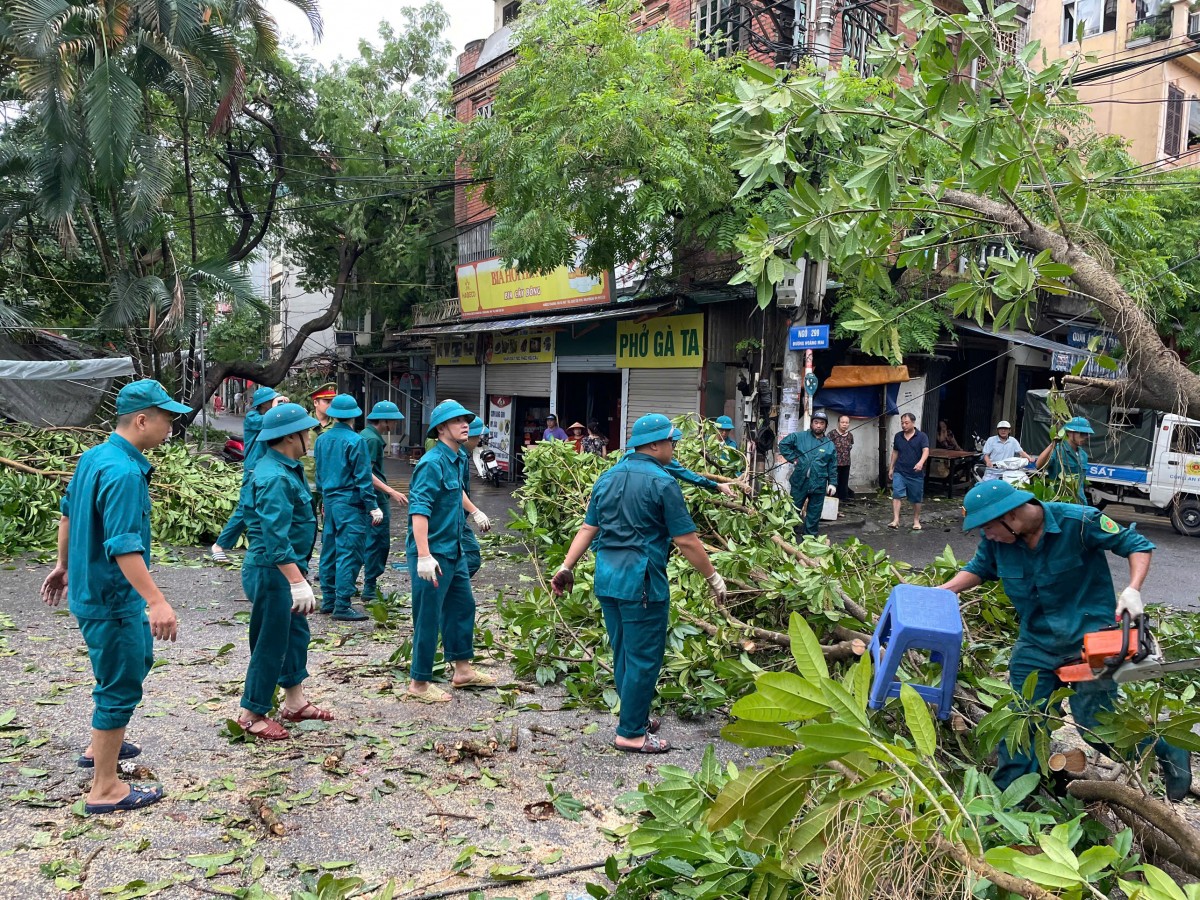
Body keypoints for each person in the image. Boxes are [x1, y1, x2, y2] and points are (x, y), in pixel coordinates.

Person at [938, 481, 1192, 799]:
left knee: (1096, 723)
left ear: (1011, 516)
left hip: (1091, 642)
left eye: (988, 528)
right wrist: (941, 592)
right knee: (1021, 717)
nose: (987, 536)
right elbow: (979, 568)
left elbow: (1136, 544)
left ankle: (1166, 749)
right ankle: (1012, 797)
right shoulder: (997, 540)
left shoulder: (1079, 522)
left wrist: (1133, 588)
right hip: (1036, 641)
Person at [40, 379, 188, 814]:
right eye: (166, 420)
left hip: (91, 591)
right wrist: (156, 601)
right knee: (120, 682)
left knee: (132, 660)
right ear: (142, 420)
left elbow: (67, 514)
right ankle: (105, 788)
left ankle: (97, 748)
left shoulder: (95, 457)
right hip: (111, 597)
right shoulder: (123, 472)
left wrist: (64, 565)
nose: (170, 428)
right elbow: (124, 545)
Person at [551, 413, 727, 753]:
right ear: (655, 445)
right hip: (641, 584)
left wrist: (567, 566)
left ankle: (636, 716)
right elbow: (687, 540)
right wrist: (713, 577)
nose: (674, 447)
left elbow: (589, 528)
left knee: (624, 654)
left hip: (609, 581)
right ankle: (630, 733)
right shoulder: (662, 483)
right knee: (644, 658)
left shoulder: (608, 477)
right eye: (671, 442)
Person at [236, 403, 332, 740]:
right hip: (273, 571)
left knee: (294, 636)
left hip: (287, 570)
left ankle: (295, 703)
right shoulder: (273, 476)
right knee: (270, 641)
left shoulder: (286, 467)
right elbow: (276, 539)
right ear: (290, 436)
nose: (308, 436)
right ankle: (251, 713)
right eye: (305, 431)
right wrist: (296, 581)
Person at [406, 400, 494, 702]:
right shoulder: (432, 463)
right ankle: (419, 683)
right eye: (457, 421)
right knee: (428, 616)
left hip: (453, 548)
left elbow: (457, 495)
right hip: (434, 552)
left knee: (462, 607)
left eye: (465, 419)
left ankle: (463, 670)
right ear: (441, 428)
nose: (465, 425)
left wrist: (476, 511)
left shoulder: (456, 458)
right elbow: (419, 511)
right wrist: (423, 554)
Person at [314, 394, 382, 621]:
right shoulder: (356, 441)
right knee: (349, 553)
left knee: (329, 550)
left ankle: (329, 600)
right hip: (351, 504)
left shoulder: (322, 439)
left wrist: (324, 500)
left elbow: (319, 474)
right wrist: (373, 506)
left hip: (330, 502)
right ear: (355, 416)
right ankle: (342, 605)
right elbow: (363, 479)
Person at [211, 386, 287, 564]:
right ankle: (220, 545)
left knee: (265, 508)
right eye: (272, 401)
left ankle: (264, 548)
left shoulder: (268, 415)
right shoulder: (253, 418)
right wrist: (277, 408)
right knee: (246, 508)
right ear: (264, 403)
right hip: (254, 468)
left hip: (268, 468)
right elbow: (268, 422)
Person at [360, 401, 409, 602]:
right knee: (378, 543)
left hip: (365, 498)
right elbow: (367, 473)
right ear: (385, 421)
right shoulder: (372, 440)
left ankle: (351, 584)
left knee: (364, 541)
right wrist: (391, 491)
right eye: (394, 420)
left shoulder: (365, 435)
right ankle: (369, 587)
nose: (396, 424)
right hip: (375, 498)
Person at [778, 410, 838, 536]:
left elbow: (832, 465)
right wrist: (793, 458)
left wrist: (833, 483)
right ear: (811, 424)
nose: (818, 425)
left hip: (819, 483)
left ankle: (809, 538)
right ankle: (788, 535)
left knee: (814, 512)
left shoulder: (829, 445)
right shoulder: (800, 437)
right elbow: (783, 444)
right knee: (793, 510)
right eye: (816, 422)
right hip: (800, 481)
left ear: (826, 426)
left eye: (822, 423)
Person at [1036, 415, 1093, 503]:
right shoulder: (1058, 450)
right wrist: (1052, 445)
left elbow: (1081, 483)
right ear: (1069, 432)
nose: (1085, 437)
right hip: (1061, 502)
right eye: (1082, 434)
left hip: (1080, 502)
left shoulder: (1083, 455)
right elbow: (1039, 466)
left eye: (1087, 434)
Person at [460, 417, 490, 578]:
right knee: (471, 558)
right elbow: (456, 488)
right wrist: (475, 511)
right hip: (451, 518)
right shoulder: (456, 456)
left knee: (469, 555)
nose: (479, 440)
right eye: (477, 436)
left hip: (458, 517)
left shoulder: (463, 456)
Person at [889, 412, 929, 530]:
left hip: (915, 473)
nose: (904, 425)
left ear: (913, 423)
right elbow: (895, 452)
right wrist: (891, 467)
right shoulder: (898, 436)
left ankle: (916, 520)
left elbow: (926, 451)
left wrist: (921, 463)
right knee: (896, 494)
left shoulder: (922, 436)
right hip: (900, 470)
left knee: (916, 498)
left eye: (906, 423)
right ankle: (896, 520)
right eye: (902, 423)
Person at [829, 414, 854, 502]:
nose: (844, 424)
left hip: (846, 463)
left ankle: (843, 499)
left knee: (844, 482)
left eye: (847, 423)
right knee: (834, 481)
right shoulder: (832, 434)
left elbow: (850, 446)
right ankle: (833, 499)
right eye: (842, 422)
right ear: (838, 423)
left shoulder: (850, 435)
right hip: (834, 463)